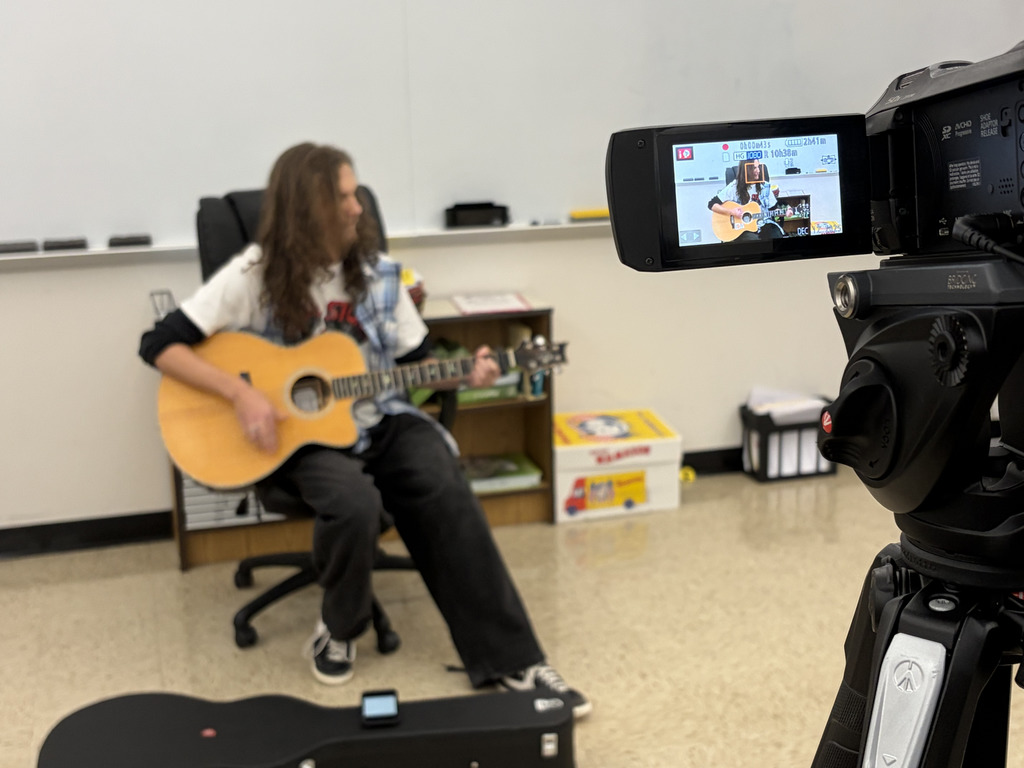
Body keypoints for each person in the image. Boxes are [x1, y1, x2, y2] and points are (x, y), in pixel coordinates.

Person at [139, 142, 590, 718]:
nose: (358, 208)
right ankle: (339, 626)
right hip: (299, 437)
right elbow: (158, 345)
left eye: (356, 194)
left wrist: (469, 372)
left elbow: (419, 362)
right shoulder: (252, 277)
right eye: (345, 197)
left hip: (381, 419)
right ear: (309, 210)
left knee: (441, 479)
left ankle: (512, 661)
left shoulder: (378, 276)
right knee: (353, 503)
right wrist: (242, 393)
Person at [707, 158, 789, 241]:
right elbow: (712, 204)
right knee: (754, 241)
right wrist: (731, 212)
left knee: (776, 237)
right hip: (742, 228)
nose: (758, 171)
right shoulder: (734, 186)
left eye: (758, 167)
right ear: (746, 170)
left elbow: (774, 209)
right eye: (754, 168)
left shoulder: (764, 186)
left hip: (764, 224)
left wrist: (785, 212)